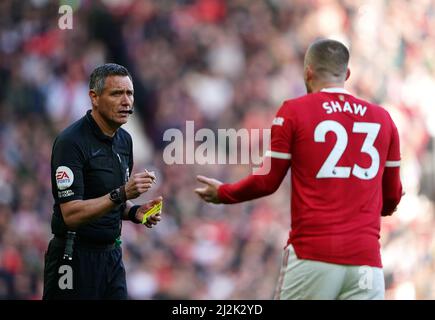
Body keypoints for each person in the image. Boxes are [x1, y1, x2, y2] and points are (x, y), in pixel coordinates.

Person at [195, 39, 403, 300]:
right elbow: (393, 196)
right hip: (366, 264)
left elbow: (267, 181)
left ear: (308, 72)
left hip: (313, 255)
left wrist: (225, 193)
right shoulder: (383, 118)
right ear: (346, 74)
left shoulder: (295, 111)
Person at [43, 63, 162, 300]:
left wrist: (135, 212)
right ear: (94, 98)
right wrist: (122, 194)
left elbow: (112, 201)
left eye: (129, 93)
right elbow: (71, 214)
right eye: (116, 93)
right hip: (74, 257)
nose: (126, 101)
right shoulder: (71, 143)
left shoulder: (125, 141)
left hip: (111, 256)